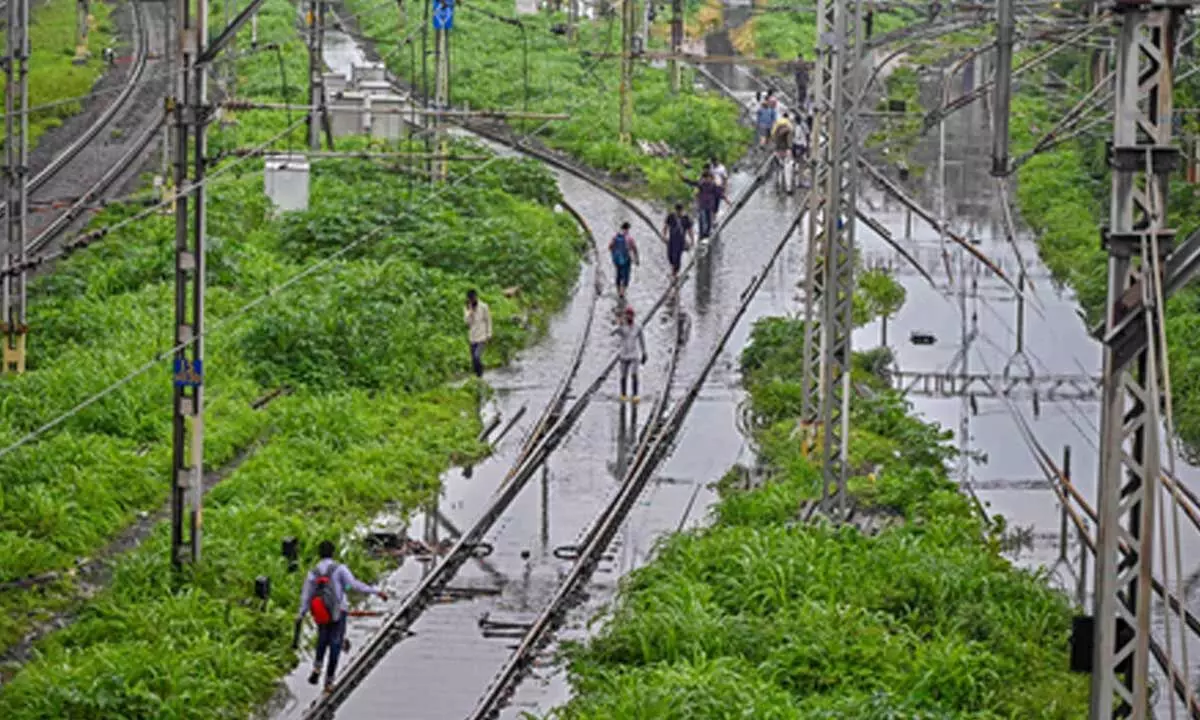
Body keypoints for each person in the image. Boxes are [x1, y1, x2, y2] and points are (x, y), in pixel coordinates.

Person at [296, 540, 389, 693]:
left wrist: (301, 613)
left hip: (321, 612)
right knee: (335, 644)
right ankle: (329, 681)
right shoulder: (339, 569)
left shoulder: (313, 572)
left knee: (322, 638)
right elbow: (354, 585)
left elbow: (306, 595)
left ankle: (317, 667)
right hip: (339, 611)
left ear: (319, 554)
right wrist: (375, 591)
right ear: (333, 553)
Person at [613, 305, 647, 403]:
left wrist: (644, 352)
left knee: (634, 374)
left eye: (630, 315)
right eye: (627, 315)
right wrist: (619, 324)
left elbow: (642, 340)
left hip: (634, 355)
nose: (629, 317)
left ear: (633, 316)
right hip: (623, 355)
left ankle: (635, 395)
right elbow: (614, 332)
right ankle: (623, 394)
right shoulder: (622, 327)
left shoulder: (638, 327)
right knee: (623, 375)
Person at [681, 170, 723, 240]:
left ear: (711, 178)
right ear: (703, 178)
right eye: (705, 178)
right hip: (702, 205)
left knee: (709, 219)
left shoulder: (713, 185)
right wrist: (685, 179)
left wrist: (723, 196)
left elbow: (718, 193)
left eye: (708, 178)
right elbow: (692, 183)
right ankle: (702, 234)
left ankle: (707, 233)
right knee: (703, 219)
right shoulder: (701, 184)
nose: (706, 180)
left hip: (710, 205)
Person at [662, 203, 695, 281]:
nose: (678, 212)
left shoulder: (686, 218)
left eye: (679, 211)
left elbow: (690, 230)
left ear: (682, 210)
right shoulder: (671, 216)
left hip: (680, 242)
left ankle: (674, 274)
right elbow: (666, 226)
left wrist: (692, 240)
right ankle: (673, 271)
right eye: (677, 211)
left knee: (677, 257)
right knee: (670, 256)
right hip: (671, 240)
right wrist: (664, 236)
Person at [464, 289, 492, 378]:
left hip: (482, 337)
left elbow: (488, 320)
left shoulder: (484, 307)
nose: (472, 301)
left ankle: (481, 373)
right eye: (470, 299)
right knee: (474, 361)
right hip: (472, 337)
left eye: (473, 298)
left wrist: (489, 334)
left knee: (476, 356)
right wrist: (470, 312)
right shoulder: (467, 308)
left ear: (476, 297)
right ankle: (478, 378)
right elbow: (467, 323)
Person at [609, 221, 639, 300]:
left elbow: (610, 246)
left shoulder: (615, 236)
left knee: (618, 274)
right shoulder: (629, 238)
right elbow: (634, 249)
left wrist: (614, 254)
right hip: (626, 259)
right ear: (628, 228)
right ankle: (622, 292)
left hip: (617, 259)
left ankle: (618, 291)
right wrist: (636, 259)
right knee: (626, 276)